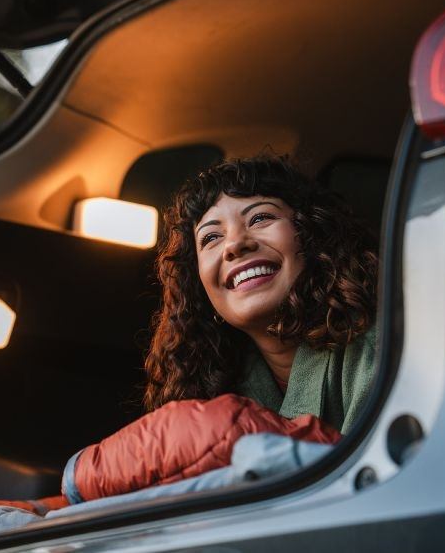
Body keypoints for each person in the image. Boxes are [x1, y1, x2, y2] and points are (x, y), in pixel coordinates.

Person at [142, 155, 380, 433]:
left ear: (313, 233)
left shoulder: (380, 347)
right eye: (211, 238)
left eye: (260, 218)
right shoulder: (210, 390)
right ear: (197, 284)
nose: (234, 244)